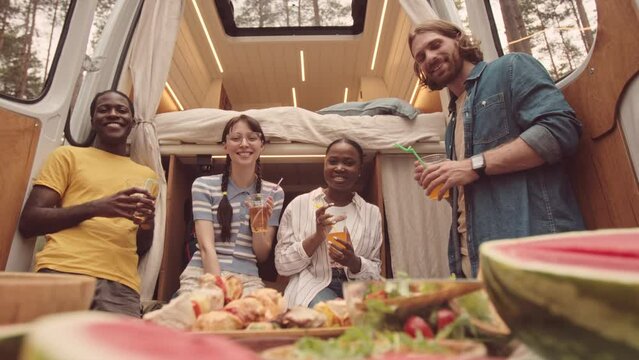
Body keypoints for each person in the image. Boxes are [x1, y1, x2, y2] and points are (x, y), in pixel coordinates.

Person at [408, 20, 585, 278]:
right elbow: (478, 187)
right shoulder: (452, 121)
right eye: (421, 57)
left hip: (532, 258)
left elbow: (560, 130)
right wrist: (447, 182)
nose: (430, 58)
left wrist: (472, 165)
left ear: (458, 39)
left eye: (435, 45)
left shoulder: (510, 68)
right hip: (473, 267)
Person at [19, 90, 157, 317]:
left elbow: (141, 246)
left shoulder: (147, 175)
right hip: (62, 272)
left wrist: (147, 224)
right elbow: (29, 222)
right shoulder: (67, 156)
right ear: (93, 120)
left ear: (132, 121)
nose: (113, 114)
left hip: (122, 286)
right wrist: (97, 207)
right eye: (104, 109)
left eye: (121, 110)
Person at [177, 115, 284, 296]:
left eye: (252, 138)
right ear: (225, 146)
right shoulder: (203, 185)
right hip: (203, 272)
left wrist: (258, 221)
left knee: (261, 318)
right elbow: (205, 247)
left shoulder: (274, 192)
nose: (244, 144)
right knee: (202, 315)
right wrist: (218, 288)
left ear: (262, 146)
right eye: (236, 138)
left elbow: (262, 255)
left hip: (248, 277)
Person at [275, 138, 382, 308]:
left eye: (349, 163)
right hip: (313, 285)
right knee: (330, 313)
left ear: (359, 170)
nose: (339, 168)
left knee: (376, 319)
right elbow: (283, 266)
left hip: (358, 289)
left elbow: (375, 274)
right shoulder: (299, 205)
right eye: (333, 162)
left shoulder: (372, 213)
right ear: (324, 165)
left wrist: (354, 262)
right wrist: (317, 237)